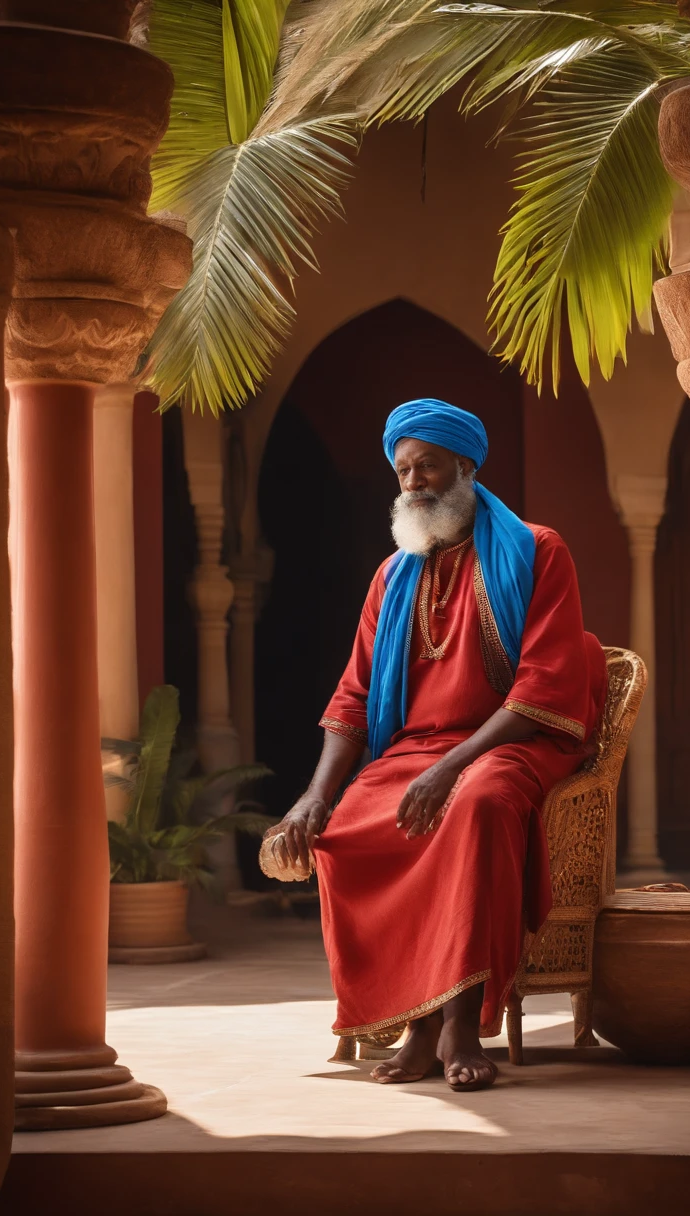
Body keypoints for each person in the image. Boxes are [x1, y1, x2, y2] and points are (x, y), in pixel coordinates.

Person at [269, 398, 606, 1092]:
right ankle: (411, 1020)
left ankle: (456, 1022)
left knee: (476, 804)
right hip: (416, 751)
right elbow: (353, 699)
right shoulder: (392, 577)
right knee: (348, 827)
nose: (414, 481)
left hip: (517, 739)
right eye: (403, 470)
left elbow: (543, 686)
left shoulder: (538, 550)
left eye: (427, 466)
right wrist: (312, 798)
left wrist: (454, 766)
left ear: (466, 467)